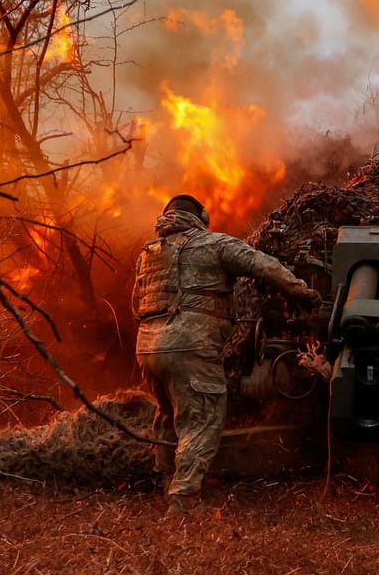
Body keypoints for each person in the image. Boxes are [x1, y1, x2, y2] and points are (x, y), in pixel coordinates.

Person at [132, 194, 319, 510]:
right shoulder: (214, 244)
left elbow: (137, 305)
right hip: (191, 346)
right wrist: (303, 292)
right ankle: (183, 501)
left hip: (148, 348)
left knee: (167, 416)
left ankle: (166, 483)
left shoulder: (148, 254)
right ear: (202, 218)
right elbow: (262, 265)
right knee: (201, 421)